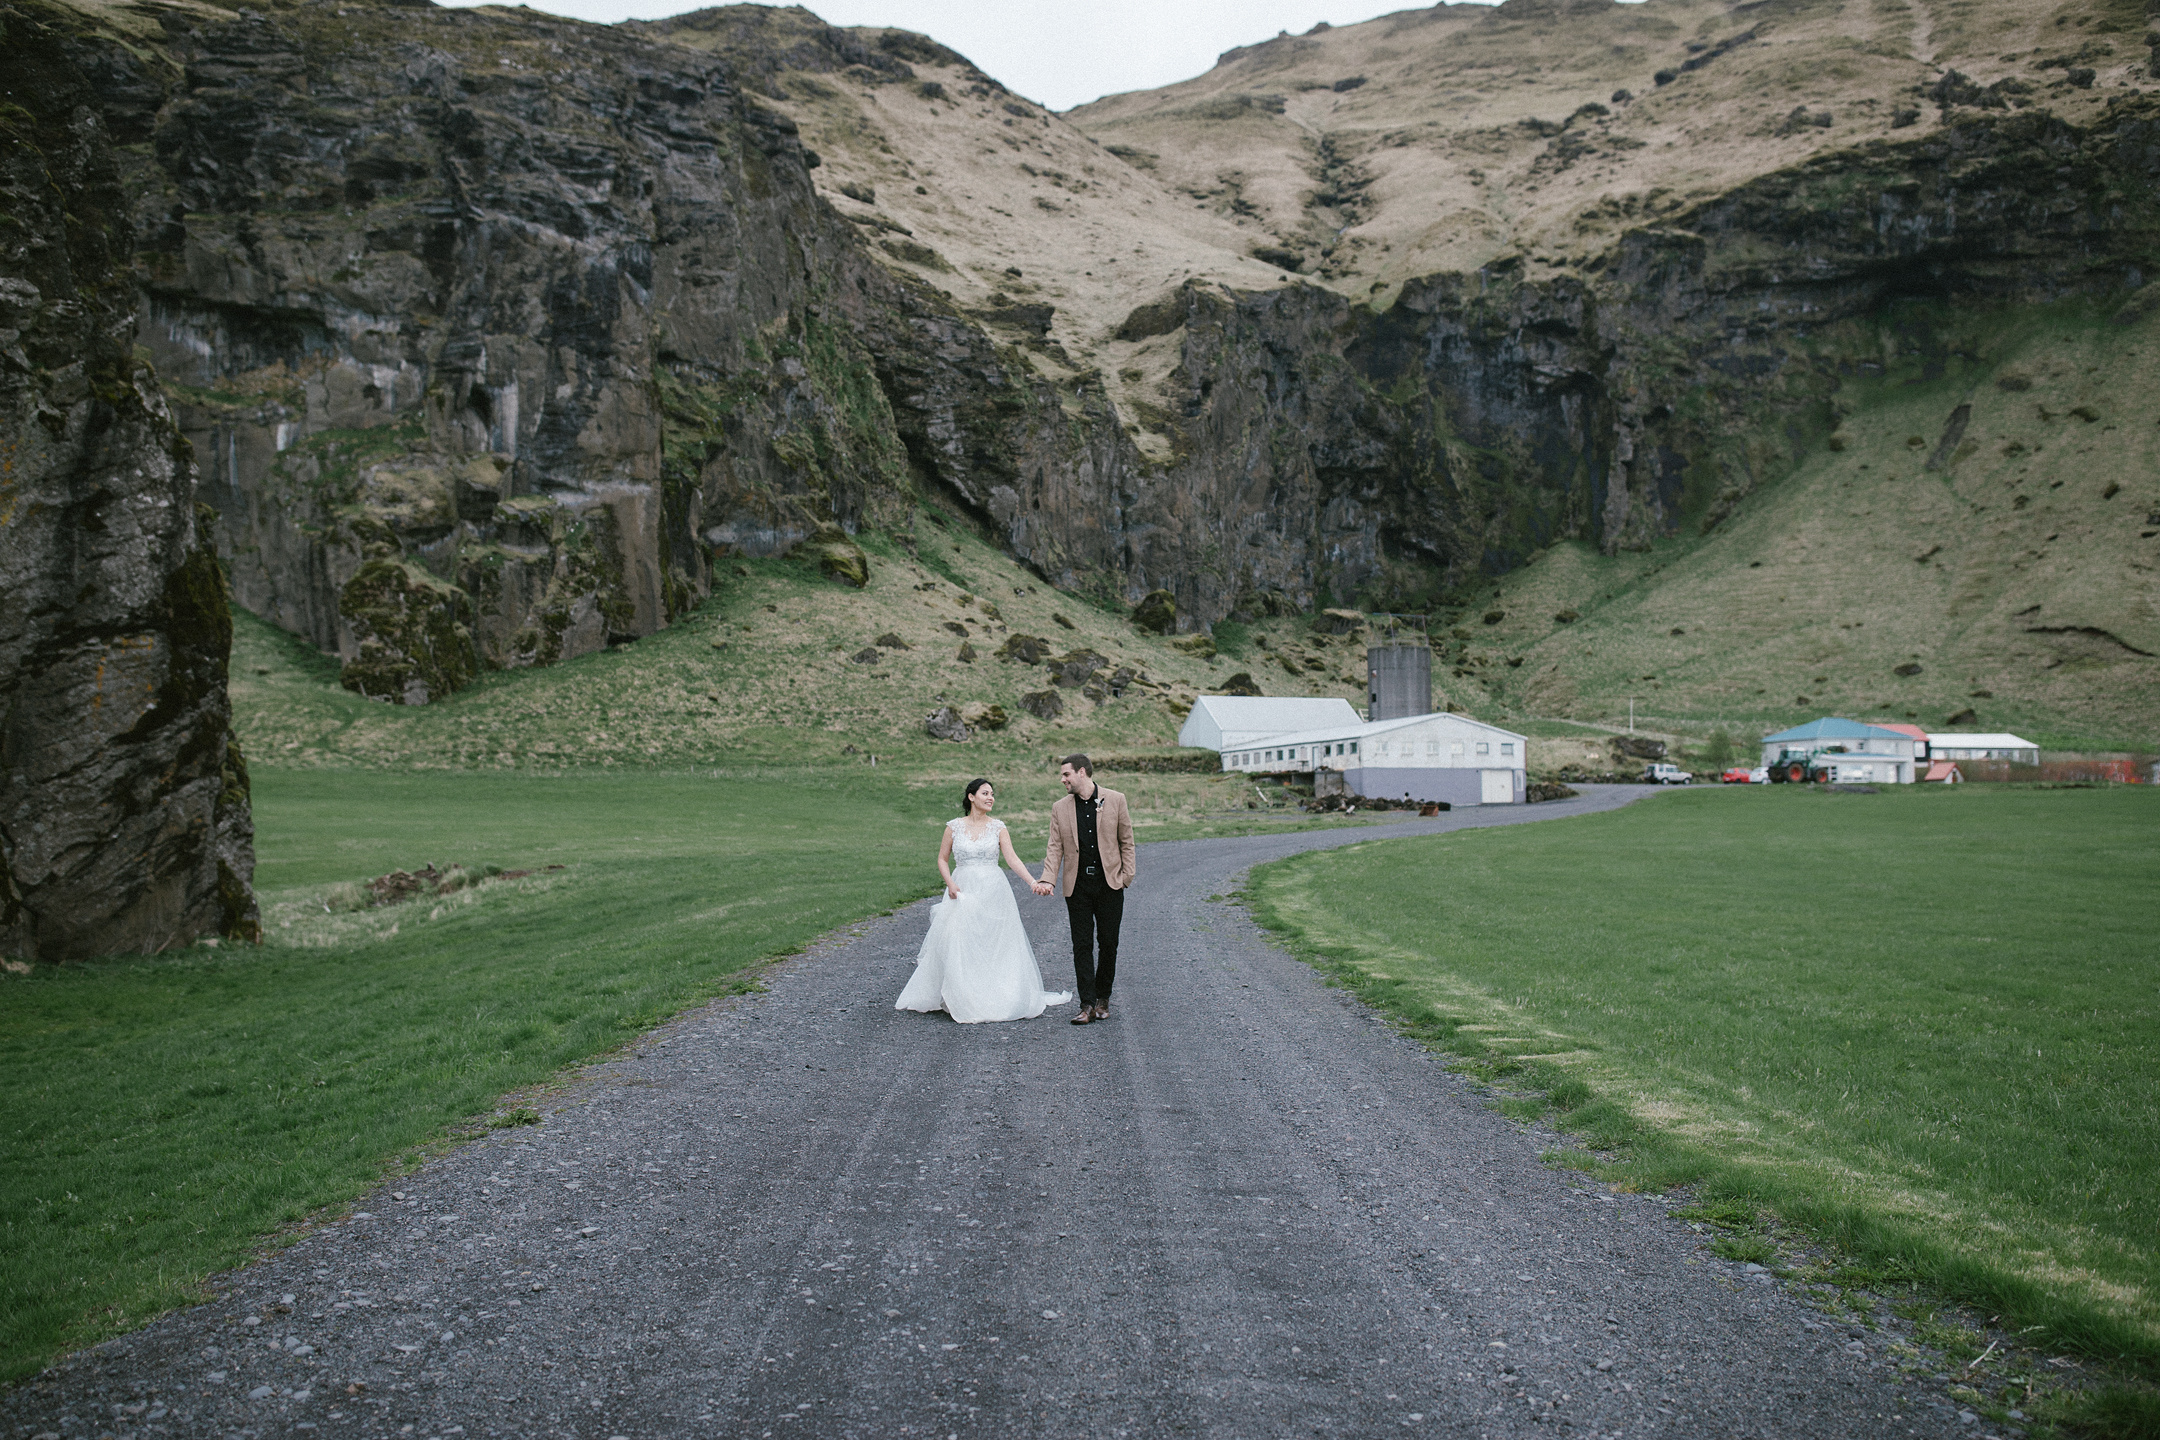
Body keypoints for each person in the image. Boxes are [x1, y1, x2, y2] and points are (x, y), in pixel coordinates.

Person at [895, 778, 1071, 1023]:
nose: (991, 798)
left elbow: (1012, 859)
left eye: (992, 794)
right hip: (962, 887)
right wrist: (950, 883)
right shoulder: (954, 827)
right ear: (971, 797)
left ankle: (996, 992)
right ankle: (961, 993)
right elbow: (942, 859)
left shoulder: (998, 827)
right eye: (985, 793)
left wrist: (1034, 882)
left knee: (992, 941)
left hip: (993, 889)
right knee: (959, 938)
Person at [1038, 753, 1136, 1025]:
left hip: (1110, 885)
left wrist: (1126, 876)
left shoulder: (1116, 799)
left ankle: (1103, 997)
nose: (1062, 779)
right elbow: (1055, 846)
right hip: (1077, 887)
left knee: (1108, 943)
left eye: (1066, 774)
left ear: (1082, 772)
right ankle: (1087, 1004)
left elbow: (1126, 841)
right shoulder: (1060, 808)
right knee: (1081, 945)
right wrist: (1048, 878)